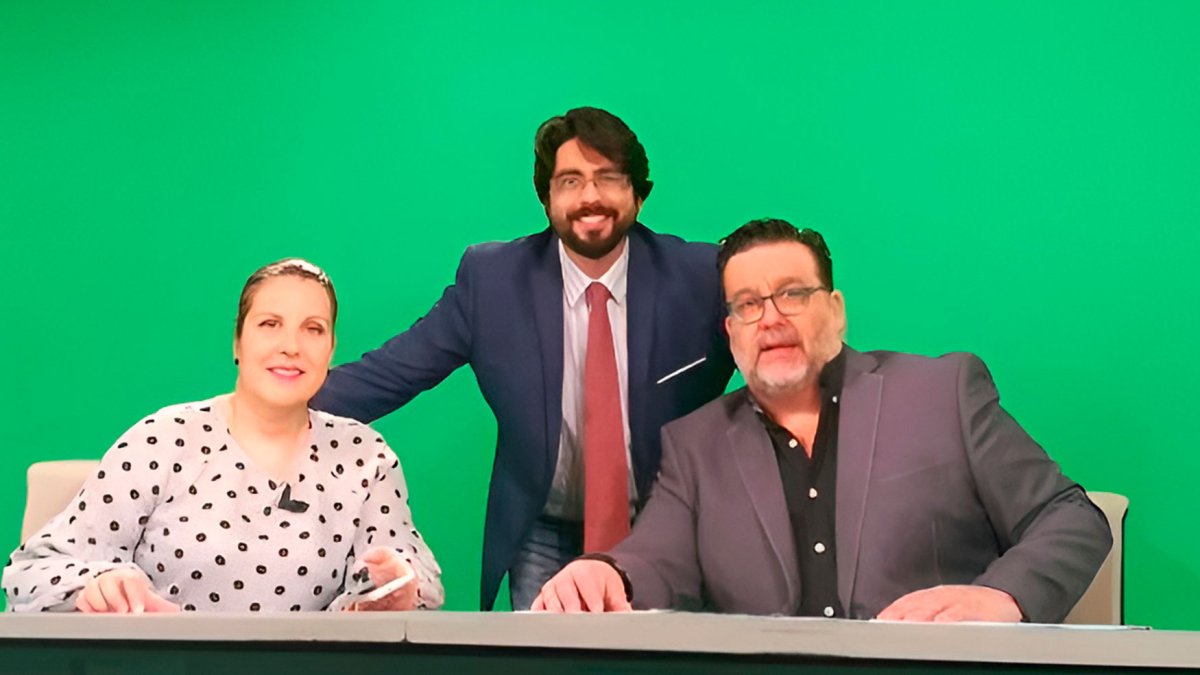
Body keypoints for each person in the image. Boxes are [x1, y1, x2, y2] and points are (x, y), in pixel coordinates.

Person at [532, 219, 1112, 623]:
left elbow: (1070, 518)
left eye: (792, 294)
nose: (771, 319)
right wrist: (607, 574)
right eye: (748, 305)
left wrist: (1001, 598)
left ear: (834, 310)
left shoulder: (942, 393)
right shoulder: (696, 445)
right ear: (731, 332)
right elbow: (655, 558)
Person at [312, 107, 735, 610]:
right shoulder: (492, 281)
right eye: (570, 181)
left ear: (638, 195)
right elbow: (389, 374)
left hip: (661, 525)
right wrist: (269, 405)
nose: (590, 197)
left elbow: (773, 361)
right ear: (546, 197)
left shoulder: (702, 277)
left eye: (608, 179)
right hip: (543, 531)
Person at [3, 259, 443, 613]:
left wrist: (390, 595)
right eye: (270, 324)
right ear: (237, 342)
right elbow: (32, 572)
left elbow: (406, 582)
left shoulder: (366, 458)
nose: (291, 345)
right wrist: (98, 587)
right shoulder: (164, 439)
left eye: (313, 329)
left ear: (330, 350)